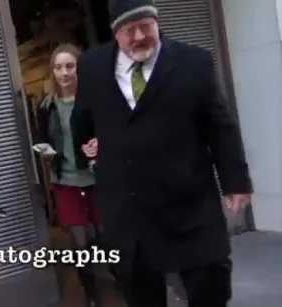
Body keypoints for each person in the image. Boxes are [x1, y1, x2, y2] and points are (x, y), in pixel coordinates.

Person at [70, 0, 253, 306]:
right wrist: (88, 148)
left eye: (147, 26)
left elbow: (219, 126)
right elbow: (82, 119)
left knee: (210, 288)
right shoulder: (91, 66)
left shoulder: (194, 63)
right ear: (115, 33)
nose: (140, 36)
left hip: (188, 202)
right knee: (140, 292)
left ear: (157, 23)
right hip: (128, 208)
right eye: (130, 30)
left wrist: (236, 181)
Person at [35, 43, 102, 307]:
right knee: (80, 242)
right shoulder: (46, 106)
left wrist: (100, 144)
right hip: (65, 181)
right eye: (58, 67)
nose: (64, 72)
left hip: (97, 178)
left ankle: (120, 282)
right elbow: (42, 139)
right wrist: (46, 153)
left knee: (103, 236)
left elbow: (109, 132)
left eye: (70, 66)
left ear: (79, 68)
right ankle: (91, 295)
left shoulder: (94, 100)